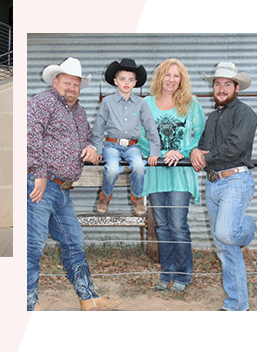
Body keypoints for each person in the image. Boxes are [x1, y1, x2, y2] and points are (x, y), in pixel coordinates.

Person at [27, 57, 123, 312]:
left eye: (76, 85)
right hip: (41, 184)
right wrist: (37, 172)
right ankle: (26, 305)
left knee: (74, 242)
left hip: (62, 189)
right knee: (33, 246)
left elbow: (85, 138)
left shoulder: (79, 112)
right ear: (56, 81)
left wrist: (90, 147)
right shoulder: (41, 103)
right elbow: (30, 135)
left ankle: (89, 299)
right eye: (68, 83)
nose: (72, 88)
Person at [190, 61, 257, 313]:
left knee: (226, 234)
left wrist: (205, 157)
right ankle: (237, 306)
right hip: (214, 184)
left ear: (236, 88)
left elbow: (235, 147)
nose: (221, 88)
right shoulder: (211, 118)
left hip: (235, 180)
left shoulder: (245, 114)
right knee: (225, 246)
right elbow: (201, 145)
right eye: (217, 84)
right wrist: (195, 151)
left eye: (227, 84)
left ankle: (249, 227)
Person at [138, 59, 206, 293]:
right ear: (160, 77)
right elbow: (140, 137)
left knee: (177, 224)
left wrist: (184, 152)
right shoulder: (146, 103)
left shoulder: (190, 103)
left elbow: (201, 136)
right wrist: (161, 152)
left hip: (181, 173)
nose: (171, 79)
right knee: (162, 226)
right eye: (167, 75)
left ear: (182, 79)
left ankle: (183, 274)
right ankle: (166, 273)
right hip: (156, 172)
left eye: (176, 76)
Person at [92, 58, 160, 215]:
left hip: (132, 146)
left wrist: (154, 151)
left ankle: (137, 197)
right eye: (122, 79)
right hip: (111, 145)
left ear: (135, 82)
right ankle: (105, 196)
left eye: (130, 79)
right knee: (113, 169)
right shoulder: (107, 102)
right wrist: (98, 150)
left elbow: (151, 128)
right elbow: (98, 128)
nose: (126, 83)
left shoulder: (141, 104)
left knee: (139, 166)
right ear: (115, 81)